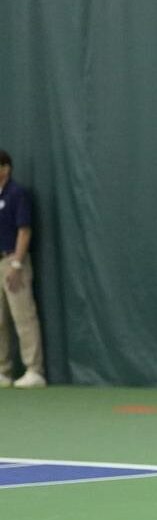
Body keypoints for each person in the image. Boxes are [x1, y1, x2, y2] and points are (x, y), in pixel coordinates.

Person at [0, 150, 46, 389]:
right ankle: (3, 370)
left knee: (23, 315)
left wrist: (17, 264)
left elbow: (24, 230)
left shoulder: (18, 194)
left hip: (13, 261)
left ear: (5, 168)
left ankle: (34, 370)